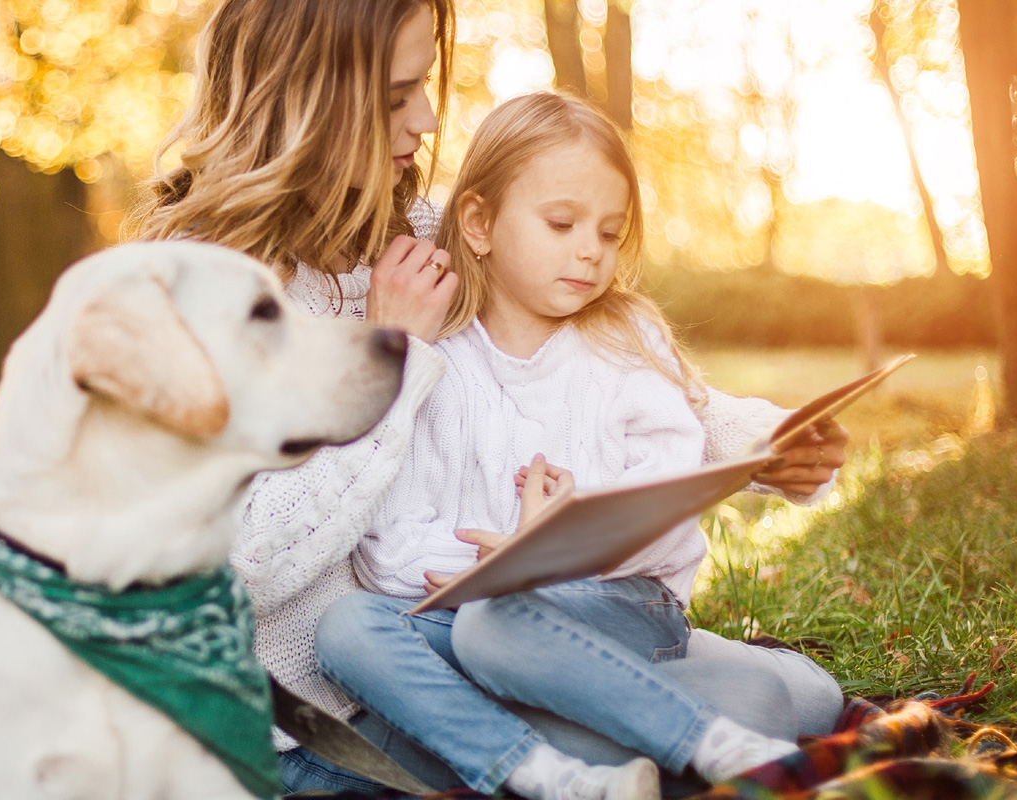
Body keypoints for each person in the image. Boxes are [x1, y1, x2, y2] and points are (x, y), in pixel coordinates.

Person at [133, 0, 846, 795]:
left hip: (465, 639)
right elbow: (244, 562)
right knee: (757, 703)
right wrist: (391, 360)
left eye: (424, 87)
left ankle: (682, 717)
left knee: (781, 697)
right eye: (397, 96)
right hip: (315, 726)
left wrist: (762, 441)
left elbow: (599, 356)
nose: (430, 120)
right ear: (311, 100)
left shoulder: (414, 230)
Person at [315, 92, 848, 800]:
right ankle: (552, 772)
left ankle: (718, 743)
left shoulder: (625, 340)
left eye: (610, 231)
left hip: (619, 606)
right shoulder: (434, 359)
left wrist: (559, 548)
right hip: (460, 619)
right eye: (562, 223)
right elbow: (388, 555)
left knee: (493, 626)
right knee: (348, 627)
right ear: (478, 223)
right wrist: (502, 562)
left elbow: (668, 507)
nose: (591, 250)